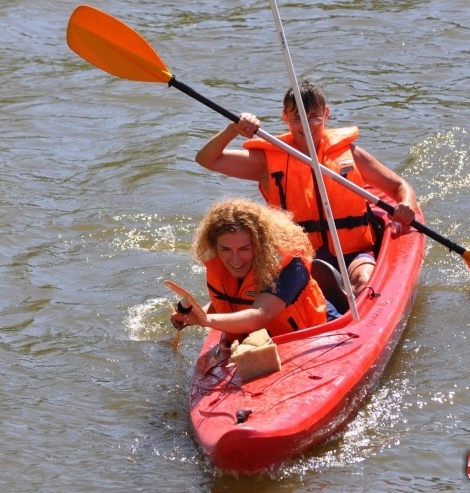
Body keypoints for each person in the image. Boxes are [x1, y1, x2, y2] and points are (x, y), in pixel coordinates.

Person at [195, 80, 418, 295]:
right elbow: (207, 159)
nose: (306, 125)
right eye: (297, 118)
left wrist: (406, 203)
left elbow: (399, 186)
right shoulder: (266, 161)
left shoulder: (350, 154)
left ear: (326, 114)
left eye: (313, 117)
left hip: (353, 253)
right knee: (300, 285)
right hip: (298, 257)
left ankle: (347, 297)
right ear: (285, 117)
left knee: (364, 280)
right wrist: (233, 129)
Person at [169, 198, 332, 344]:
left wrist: (204, 320)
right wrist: (192, 316)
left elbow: (259, 315)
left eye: (244, 249)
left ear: (260, 245)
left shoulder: (290, 267)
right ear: (215, 246)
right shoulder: (217, 261)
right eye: (225, 249)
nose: (235, 260)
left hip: (308, 340)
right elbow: (229, 301)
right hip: (250, 345)